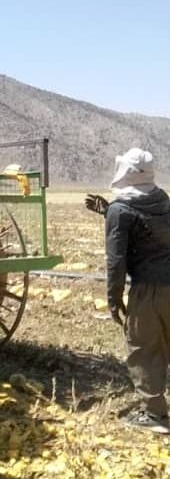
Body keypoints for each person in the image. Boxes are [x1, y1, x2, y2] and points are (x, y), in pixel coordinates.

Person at [85, 148, 170, 434]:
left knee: (144, 348)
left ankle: (156, 416)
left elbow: (116, 260)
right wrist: (108, 211)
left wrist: (113, 299)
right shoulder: (162, 200)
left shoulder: (121, 210)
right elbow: (147, 229)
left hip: (148, 290)